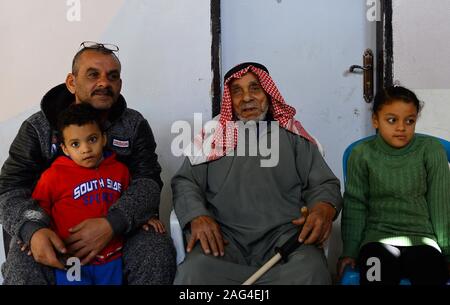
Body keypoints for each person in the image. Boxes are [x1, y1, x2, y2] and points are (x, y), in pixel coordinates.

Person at [0, 41, 176, 284]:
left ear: (120, 85)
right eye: (93, 74)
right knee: (23, 261)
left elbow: (148, 181)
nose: (104, 82)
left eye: (112, 76)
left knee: (155, 249)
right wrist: (32, 229)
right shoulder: (38, 127)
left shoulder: (133, 124)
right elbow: (10, 189)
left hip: (119, 231)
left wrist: (113, 222)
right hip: (50, 232)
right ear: (72, 82)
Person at [172, 62, 342, 285]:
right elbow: (185, 182)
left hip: (286, 243)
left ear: (268, 94)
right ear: (229, 101)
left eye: (255, 88)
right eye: (237, 92)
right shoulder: (212, 138)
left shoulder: (293, 136)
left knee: (312, 272)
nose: (246, 98)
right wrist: (196, 215)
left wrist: (323, 208)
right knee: (193, 273)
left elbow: (324, 184)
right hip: (224, 243)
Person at [338, 86, 449, 285]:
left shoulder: (431, 150)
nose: (401, 127)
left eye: (410, 121)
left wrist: (448, 251)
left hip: (422, 240)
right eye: (392, 120)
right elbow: (355, 205)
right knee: (375, 274)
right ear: (375, 120)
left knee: (431, 273)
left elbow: (441, 205)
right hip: (376, 241)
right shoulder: (362, 154)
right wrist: (350, 252)